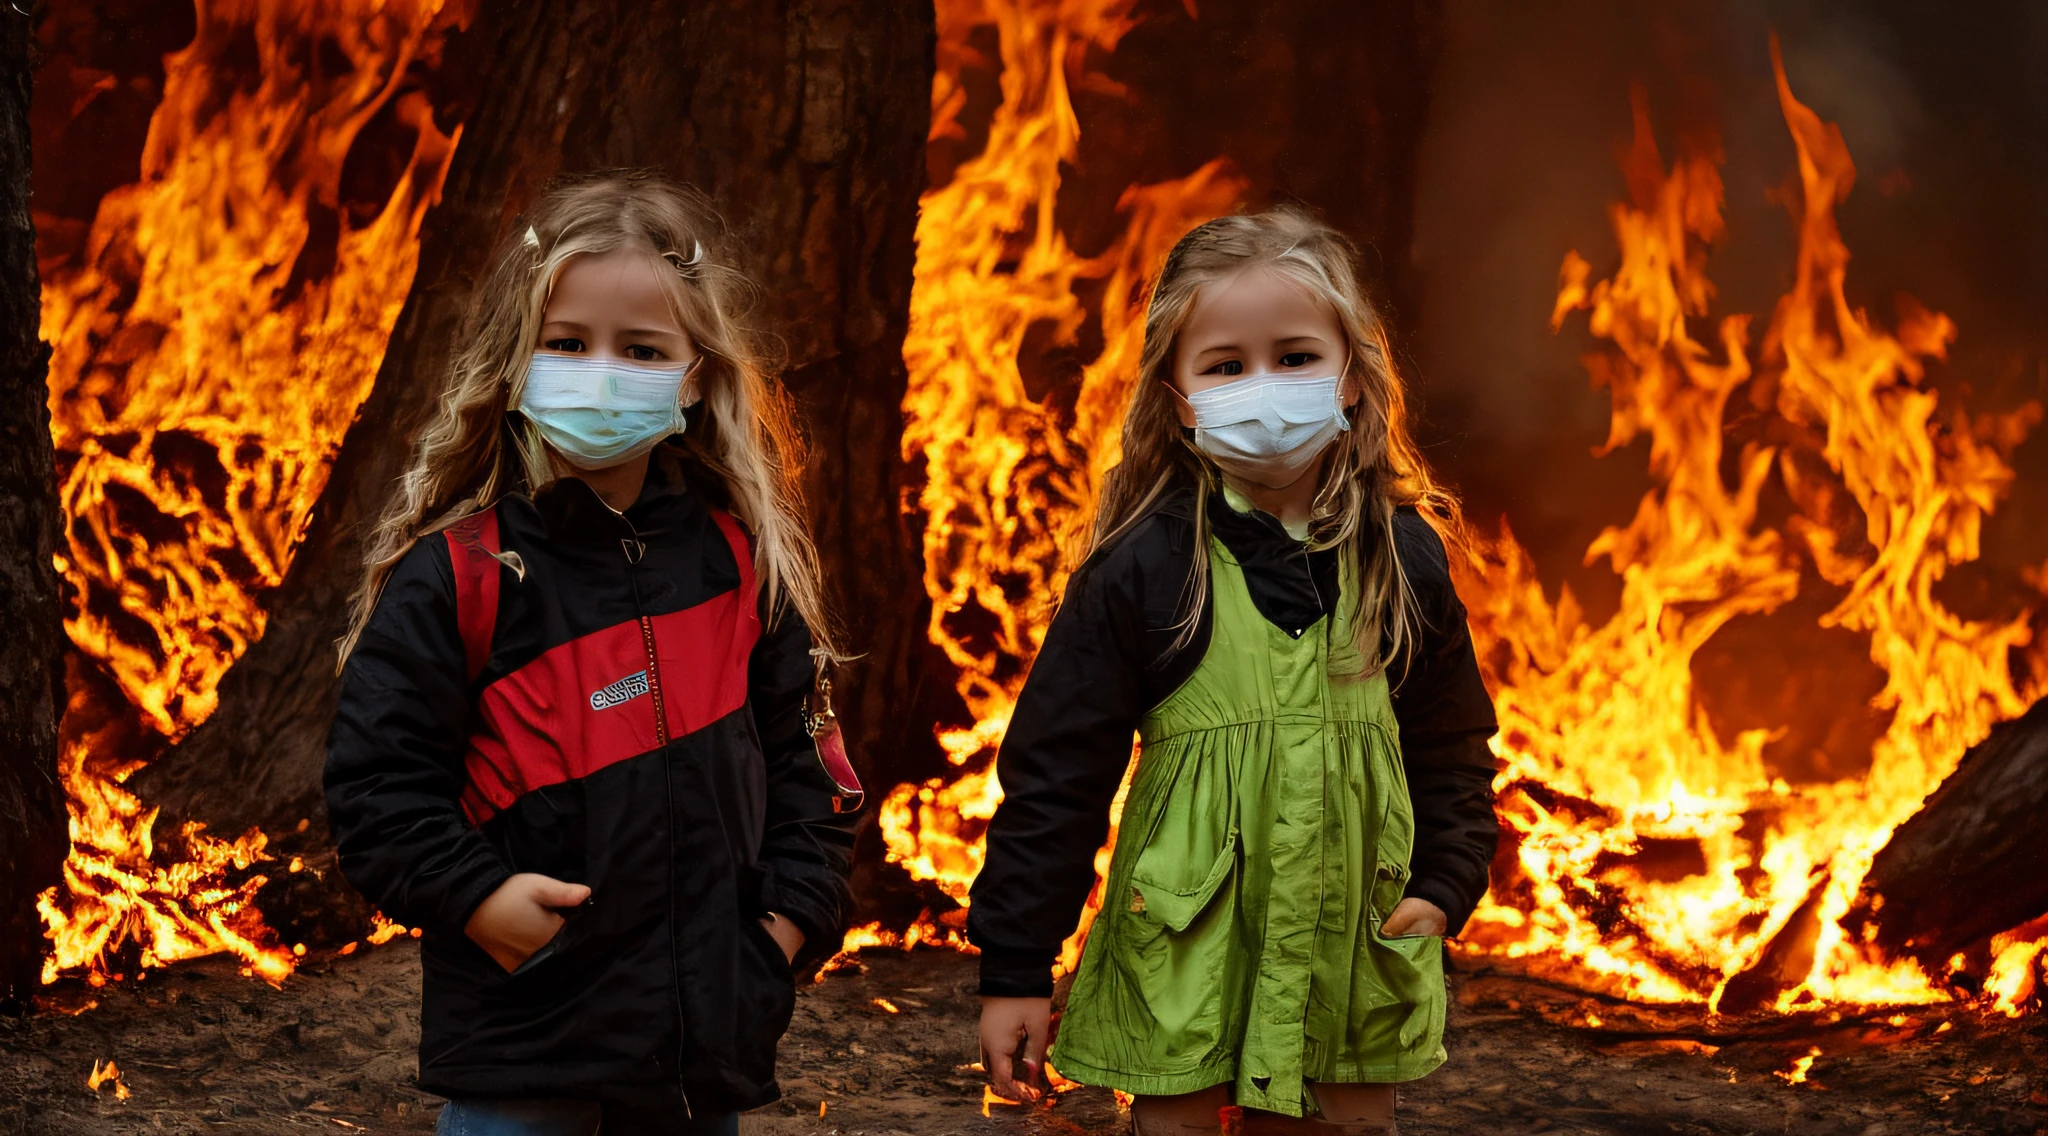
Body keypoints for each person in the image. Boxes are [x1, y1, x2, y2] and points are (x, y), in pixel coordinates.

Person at [325, 173, 863, 1136]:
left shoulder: (745, 567)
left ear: (694, 374)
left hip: (702, 1064)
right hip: (521, 1055)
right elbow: (375, 788)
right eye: (567, 344)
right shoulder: (459, 577)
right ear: (516, 359)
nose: (601, 373)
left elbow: (813, 776)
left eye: (642, 349)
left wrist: (777, 935)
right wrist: (482, 900)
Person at [970, 207, 1500, 1135]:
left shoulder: (1403, 560)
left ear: (1350, 375)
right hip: (1184, 959)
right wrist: (1016, 967)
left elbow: (1450, 745)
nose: (1265, 386)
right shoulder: (1143, 568)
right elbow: (1056, 778)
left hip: (1351, 958)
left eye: (1295, 357)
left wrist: (1444, 883)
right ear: (1177, 397)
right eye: (1225, 366)